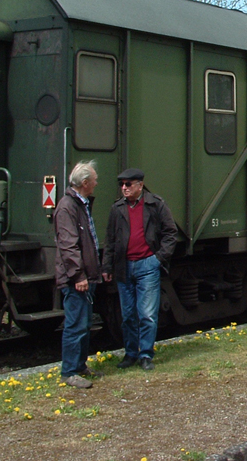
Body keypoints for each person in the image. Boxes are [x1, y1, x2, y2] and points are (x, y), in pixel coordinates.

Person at [103, 168, 178, 371]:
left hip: (147, 264)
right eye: (122, 185)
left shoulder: (155, 204)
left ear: (140, 185)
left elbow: (171, 233)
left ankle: (146, 354)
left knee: (147, 313)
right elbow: (110, 240)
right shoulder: (117, 209)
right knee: (128, 315)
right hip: (123, 267)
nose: (124, 188)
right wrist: (107, 266)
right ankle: (130, 354)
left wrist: (158, 259)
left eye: (128, 184)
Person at [53, 161, 102, 389]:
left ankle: (80, 366)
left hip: (85, 277)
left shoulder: (80, 204)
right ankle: (69, 371)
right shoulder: (67, 207)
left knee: (84, 323)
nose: (96, 183)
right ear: (85, 183)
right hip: (76, 280)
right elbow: (68, 245)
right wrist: (78, 275)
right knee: (75, 324)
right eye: (94, 179)